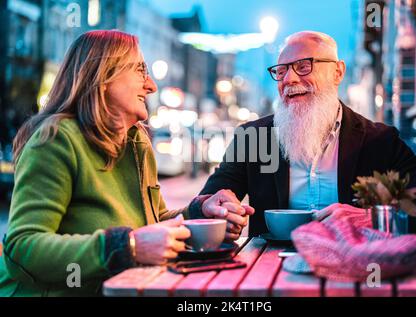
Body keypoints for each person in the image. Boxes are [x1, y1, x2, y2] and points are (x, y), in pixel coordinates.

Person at [0, 30, 253, 297]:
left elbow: (153, 224)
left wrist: (201, 215)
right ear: (103, 76)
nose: (151, 85)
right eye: (140, 70)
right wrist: (126, 248)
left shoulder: (136, 142)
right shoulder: (57, 139)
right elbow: (22, 248)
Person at [197, 31, 416, 238]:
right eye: (281, 71)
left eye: (304, 66)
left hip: (355, 267)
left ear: (338, 72)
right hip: (268, 273)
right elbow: (202, 208)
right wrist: (218, 210)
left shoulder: (378, 141)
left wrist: (374, 220)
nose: (290, 79)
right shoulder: (254, 138)